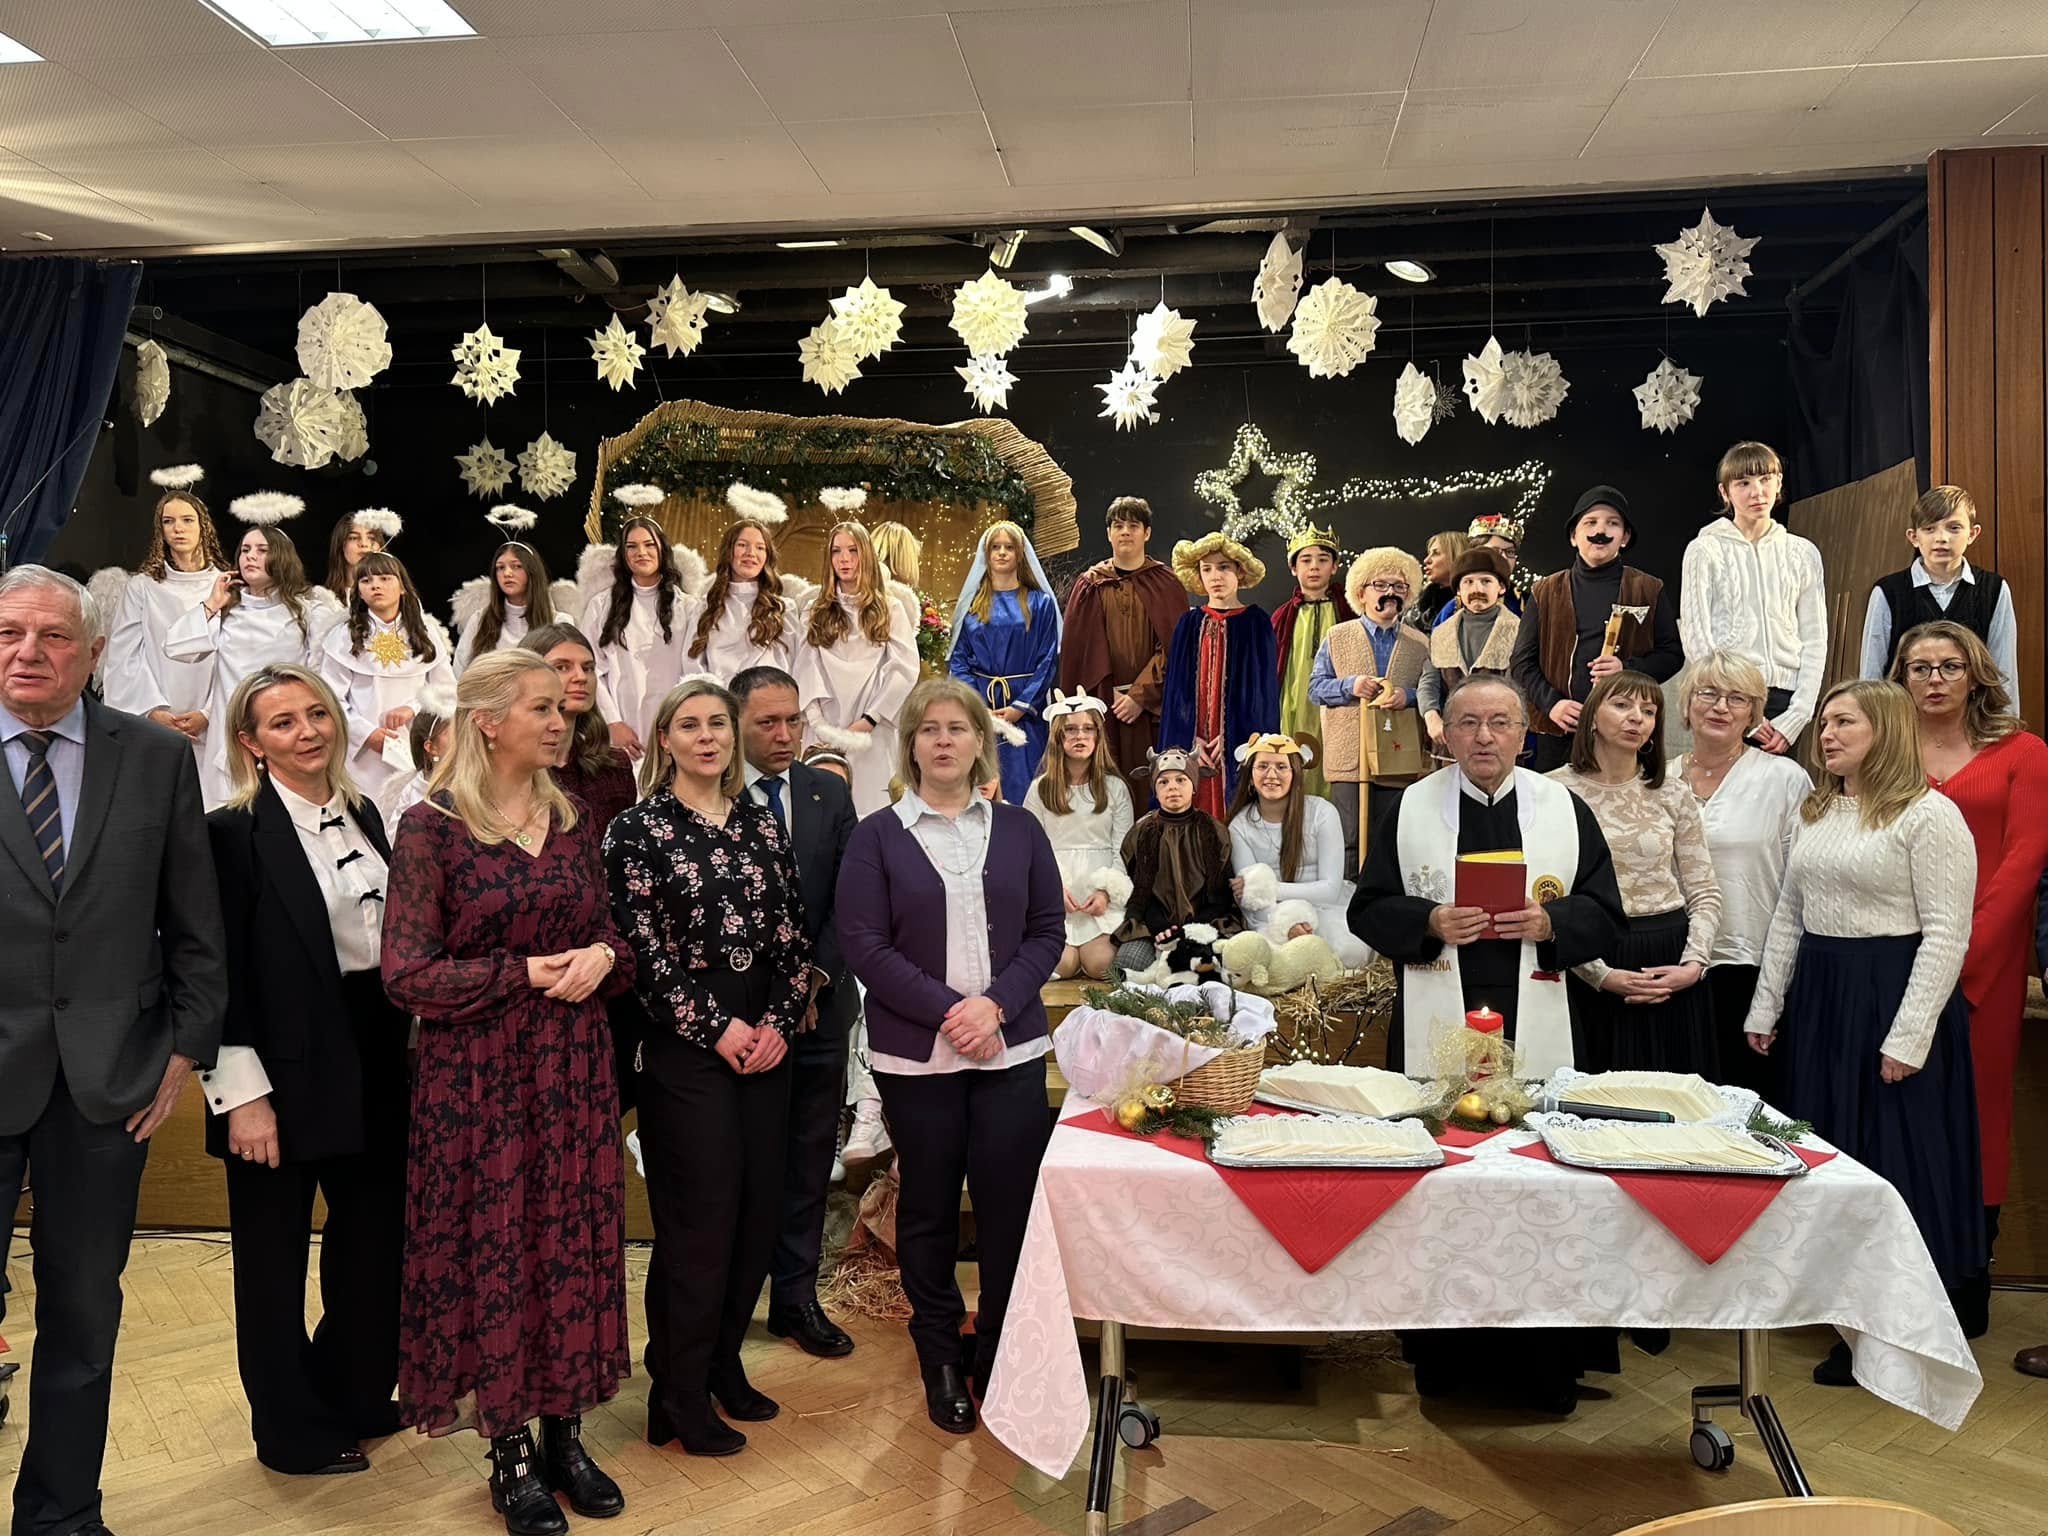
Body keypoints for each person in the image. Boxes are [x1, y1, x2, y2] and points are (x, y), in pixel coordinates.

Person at [381, 650, 636, 1535]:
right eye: (541, 707)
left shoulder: (572, 819)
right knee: (498, 1255)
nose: (561, 720)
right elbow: (407, 975)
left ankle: (567, 1437)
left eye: (563, 707)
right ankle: (511, 1454)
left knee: (569, 1247)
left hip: (574, 1071)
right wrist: (522, 972)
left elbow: (613, 939)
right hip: (479, 1081)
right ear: (487, 722)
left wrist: (602, 956)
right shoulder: (432, 828)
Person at [0, 564, 227, 1536]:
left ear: (94, 653)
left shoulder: (155, 756)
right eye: (9, 633)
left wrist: (183, 1049)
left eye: (53, 636)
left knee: (84, 1315)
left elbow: (197, 925)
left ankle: (62, 1517)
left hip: (109, 1083)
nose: (28, 652)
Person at [835, 677, 1066, 1435]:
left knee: (1007, 1211)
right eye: (928, 729)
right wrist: (950, 1013)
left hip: (1010, 1051)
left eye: (957, 728)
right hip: (918, 1060)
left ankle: (997, 1346)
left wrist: (994, 1006)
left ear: (979, 741)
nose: (943, 740)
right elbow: (864, 944)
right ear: (910, 745)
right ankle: (938, 1353)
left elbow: (1047, 930)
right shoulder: (876, 837)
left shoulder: (1020, 830)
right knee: (929, 1211)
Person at [1744, 680, 1982, 1385]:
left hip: (1890, 997)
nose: (1827, 734)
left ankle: (1896, 1331)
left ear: (1886, 730)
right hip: (1822, 999)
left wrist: (1908, 1039)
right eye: (1824, 723)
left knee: (1896, 1163)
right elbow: (1789, 914)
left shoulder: (1930, 816)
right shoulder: (1816, 809)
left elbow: (1946, 935)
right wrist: (1766, 1008)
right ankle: (1843, 1311)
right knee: (1835, 1156)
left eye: (1845, 722)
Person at [203, 664, 409, 1477]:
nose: (308, 731)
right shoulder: (229, 833)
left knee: (375, 1242)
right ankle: (288, 1430)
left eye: (316, 713)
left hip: (376, 1053)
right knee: (273, 1261)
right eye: (283, 722)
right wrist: (240, 1097)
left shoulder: (365, 812)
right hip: (277, 1069)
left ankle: (353, 1393)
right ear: (251, 743)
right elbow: (213, 970)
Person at [605, 676, 810, 1457]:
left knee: (757, 1215)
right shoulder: (636, 831)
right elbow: (640, 952)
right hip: (684, 1045)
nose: (706, 737)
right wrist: (716, 1027)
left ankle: (723, 1364)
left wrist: (779, 1023)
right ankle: (677, 1391)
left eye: (717, 723)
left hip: (766, 1038)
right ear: (665, 739)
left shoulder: (761, 823)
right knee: (700, 1223)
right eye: (688, 725)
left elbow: (794, 936)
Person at [1892, 621, 2048, 1337]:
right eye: (1919, 667)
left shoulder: (2023, 752)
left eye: (1949, 666)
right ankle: (1894, 1282)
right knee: (1898, 1115)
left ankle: (1966, 1282)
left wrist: (1957, 958)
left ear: (1976, 674)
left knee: (1978, 1116)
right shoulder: (1885, 750)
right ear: (1900, 677)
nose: (1934, 679)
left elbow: (2025, 861)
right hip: (1891, 958)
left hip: (1985, 965)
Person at [1350, 675, 1625, 1078]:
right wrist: (1429, 921)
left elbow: (1607, 915)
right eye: (1468, 723)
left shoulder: (1565, 809)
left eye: (1500, 722)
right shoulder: (1409, 808)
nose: (1484, 737)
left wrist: (1551, 923)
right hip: (1435, 1008)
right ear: (1447, 735)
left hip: (1542, 1007)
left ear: (1522, 735)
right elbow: (1366, 911)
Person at [731, 666, 861, 1362]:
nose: (785, 736)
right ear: (736, 724)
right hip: (744, 1021)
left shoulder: (826, 792)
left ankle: (796, 1299)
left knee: (811, 1159)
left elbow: (850, 898)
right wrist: (774, 1001)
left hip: (823, 1008)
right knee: (748, 1165)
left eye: (793, 721)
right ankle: (729, 1307)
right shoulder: (714, 796)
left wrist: (813, 980)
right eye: (767, 723)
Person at [1548, 672, 1722, 1074]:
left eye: (1648, 711)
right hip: (1589, 955)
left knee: (1673, 1094)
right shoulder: (1552, 792)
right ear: (1592, 716)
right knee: (1596, 1092)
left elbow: (1704, 890)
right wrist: (1599, 974)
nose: (1637, 718)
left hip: (1668, 955)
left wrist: (1694, 964)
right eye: (1622, 705)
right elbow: (1547, 899)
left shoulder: (1672, 792)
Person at [1670, 650, 1811, 1099]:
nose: (1720, 707)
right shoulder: (1659, 780)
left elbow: (1801, 887)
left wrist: (1776, 991)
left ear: (1754, 712)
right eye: (1708, 693)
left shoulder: (1784, 779)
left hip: (1750, 966)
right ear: (1687, 704)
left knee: (1743, 1104)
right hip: (1670, 965)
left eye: (1737, 698)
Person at [165, 506, 335, 810]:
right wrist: (212, 604)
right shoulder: (228, 611)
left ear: (281, 557)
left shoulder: (307, 612)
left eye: (261, 550)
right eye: (245, 550)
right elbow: (177, 647)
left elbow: (320, 677)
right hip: (230, 735)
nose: (250, 557)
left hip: (285, 732)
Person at [1511, 486, 1683, 773]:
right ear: (1573, 536)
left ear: (1625, 537)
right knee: (1555, 801)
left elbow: (1672, 655)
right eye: (1590, 522)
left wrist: (1627, 669)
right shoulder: (1544, 591)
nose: (1600, 530)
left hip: (1625, 732)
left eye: (1612, 523)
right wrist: (1553, 704)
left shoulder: (1649, 588)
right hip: (1560, 732)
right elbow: (1521, 661)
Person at [1679, 442, 1826, 753]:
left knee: (1782, 784)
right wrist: (1734, 704)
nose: (1757, 492)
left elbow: (1815, 637)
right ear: (1725, 492)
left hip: (1786, 702)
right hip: (1726, 698)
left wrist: (1799, 714)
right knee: (1724, 781)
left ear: (1779, 483)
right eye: (1743, 483)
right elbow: (1696, 638)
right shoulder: (1704, 550)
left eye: (1765, 479)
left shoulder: (1802, 552)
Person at [1057, 496, 1190, 798]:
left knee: (1153, 790)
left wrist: (1139, 696)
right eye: (1118, 526)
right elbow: (1080, 652)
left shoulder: (1166, 583)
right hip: (1104, 707)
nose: (1126, 532)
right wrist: (1108, 695)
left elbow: (1176, 647)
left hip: (1154, 711)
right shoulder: (1089, 585)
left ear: (1147, 532)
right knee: (1105, 790)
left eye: (1133, 525)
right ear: (1109, 534)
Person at [101, 470, 231, 766]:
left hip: (215, 720)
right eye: (168, 521)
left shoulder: (224, 585)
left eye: (187, 520)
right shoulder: (142, 587)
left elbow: (237, 655)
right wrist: (152, 711)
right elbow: (124, 656)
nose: (178, 529)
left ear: (203, 525)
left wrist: (209, 712)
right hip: (157, 721)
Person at [1310, 546, 1430, 867]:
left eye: (1399, 586)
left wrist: (1408, 696)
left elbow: (1432, 691)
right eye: (1381, 585)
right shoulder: (1337, 636)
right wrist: (1350, 686)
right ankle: (1347, 894)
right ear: (1361, 593)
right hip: (1348, 755)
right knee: (1348, 838)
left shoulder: (1420, 643)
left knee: (1389, 839)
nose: (1391, 592)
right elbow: (1315, 689)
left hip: (1396, 754)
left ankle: (1382, 895)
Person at [792, 519, 919, 818]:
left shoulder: (890, 610)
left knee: (872, 814)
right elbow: (805, 667)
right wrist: (819, 723)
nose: (844, 559)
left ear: (867, 555)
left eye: (853, 550)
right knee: (821, 815)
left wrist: (869, 719)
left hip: (873, 732)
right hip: (823, 729)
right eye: (836, 551)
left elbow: (903, 669)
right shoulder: (814, 610)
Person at [319, 551, 455, 806]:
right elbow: (329, 699)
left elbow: (446, 691)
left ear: (402, 587)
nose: (375, 586)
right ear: (358, 592)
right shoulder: (343, 637)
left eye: (384, 578)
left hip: (415, 744)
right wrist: (367, 734)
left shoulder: (425, 633)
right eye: (366, 581)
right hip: (362, 752)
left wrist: (412, 708)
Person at [1226, 731, 1371, 967]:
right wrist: (1287, 924)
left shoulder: (1322, 813)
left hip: (1326, 909)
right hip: (1269, 916)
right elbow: (1252, 900)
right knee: (1268, 961)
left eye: (1281, 767)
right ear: (1250, 776)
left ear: (1295, 775)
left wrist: (1268, 888)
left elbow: (1330, 889)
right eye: (1262, 766)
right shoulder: (1239, 827)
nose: (1271, 774)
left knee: (1347, 951)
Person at [1159, 532, 1277, 818]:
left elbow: (1263, 694)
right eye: (1207, 569)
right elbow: (1176, 693)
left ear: (1239, 571)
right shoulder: (1189, 623)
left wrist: (1235, 736)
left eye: (1224, 567)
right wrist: (1190, 740)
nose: (1215, 576)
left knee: (1237, 810)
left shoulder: (1256, 623)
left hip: (1238, 741)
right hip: (1195, 741)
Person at [1861, 485, 2017, 698]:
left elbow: (2004, 672)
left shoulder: (1993, 589)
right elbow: (1871, 675)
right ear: (1913, 537)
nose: (1941, 538)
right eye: (1929, 529)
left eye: (1954, 528)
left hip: (1971, 714)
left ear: (1972, 534)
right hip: (1905, 714)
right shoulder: (1888, 592)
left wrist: (2006, 718)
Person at [1020, 688, 1134, 981]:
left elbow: (1122, 850)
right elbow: (1030, 851)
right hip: (1057, 892)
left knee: (1101, 965)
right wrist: (1052, 891)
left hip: (1100, 896)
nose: (1079, 736)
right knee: (1062, 964)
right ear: (1058, 737)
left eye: (1087, 729)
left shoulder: (1115, 788)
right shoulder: (1041, 789)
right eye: (1070, 730)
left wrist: (1106, 892)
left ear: (1098, 735)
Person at [948, 521, 1062, 806]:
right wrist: (978, 707)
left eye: (1008, 547)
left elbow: (1048, 658)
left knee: (1027, 787)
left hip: (1025, 713)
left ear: (1020, 554)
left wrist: (1020, 707)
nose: (1001, 553)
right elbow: (959, 660)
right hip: (981, 710)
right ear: (986, 554)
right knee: (979, 785)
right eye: (995, 547)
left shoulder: (1040, 603)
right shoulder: (972, 605)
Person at [1115, 747, 1243, 976]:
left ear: (1194, 785)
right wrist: (1161, 927)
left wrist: (1189, 930)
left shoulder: (1213, 830)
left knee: (1222, 962)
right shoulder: (1142, 831)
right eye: (1163, 782)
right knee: (1129, 962)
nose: (1172, 787)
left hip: (1205, 923)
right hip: (1153, 925)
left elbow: (1221, 894)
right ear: (1155, 789)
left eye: (1181, 780)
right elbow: (1137, 891)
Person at [581, 514, 699, 761]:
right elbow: (589, 669)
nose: (641, 553)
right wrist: (612, 722)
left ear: (662, 549)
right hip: (623, 734)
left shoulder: (688, 608)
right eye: (632, 546)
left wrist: (682, 724)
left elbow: (694, 672)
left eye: (649, 545)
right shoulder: (601, 606)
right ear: (623, 554)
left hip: (674, 730)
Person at [523, 622, 637, 835]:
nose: (581, 677)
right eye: (562, 667)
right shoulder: (514, 770)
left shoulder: (615, 766)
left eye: (588, 668)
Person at [1269, 525, 1352, 799]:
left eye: (1322, 560)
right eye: (1306, 560)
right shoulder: (1283, 616)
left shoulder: (1348, 611)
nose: (1314, 567)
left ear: (1335, 566)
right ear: (1294, 568)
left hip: (1337, 704)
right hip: (1294, 701)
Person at [687, 510, 811, 681]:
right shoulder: (705, 608)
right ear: (728, 551)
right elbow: (693, 665)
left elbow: (796, 664)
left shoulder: (783, 609)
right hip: (719, 696)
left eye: (760, 547)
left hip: (771, 696)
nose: (751, 553)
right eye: (742, 545)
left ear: (767, 556)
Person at [1418, 548, 1520, 751]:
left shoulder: (1517, 631)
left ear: (1501, 587)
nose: (1477, 589)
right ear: (1458, 590)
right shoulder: (1441, 633)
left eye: (1486, 581)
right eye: (1468, 582)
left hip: (1498, 741)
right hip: (1450, 740)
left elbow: (1518, 690)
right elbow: (1429, 681)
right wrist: (1431, 717)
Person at [451, 527, 568, 676]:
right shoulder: (480, 622)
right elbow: (459, 674)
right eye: (500, 568)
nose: (507, 573)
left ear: (532, 572)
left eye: (516, 566)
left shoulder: (559, 623)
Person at [374, 683, 454, 832]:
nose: (464, 739)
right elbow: (398, 837)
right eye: (454, 733)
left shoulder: (475, 782)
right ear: (431, 747)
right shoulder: (413, 793)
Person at [1433, 513, 1525, 622]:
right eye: (1494, 551)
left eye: (1510, 552)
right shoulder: (1454, 608)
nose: (1504, 557)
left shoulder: (1526, 602)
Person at [1406, 527, 1471, 629]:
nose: (1426, 560)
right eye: (1429, 554)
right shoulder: (1417, 605)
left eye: (1436, 553)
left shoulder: (1472, 605)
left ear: (1457, 556)